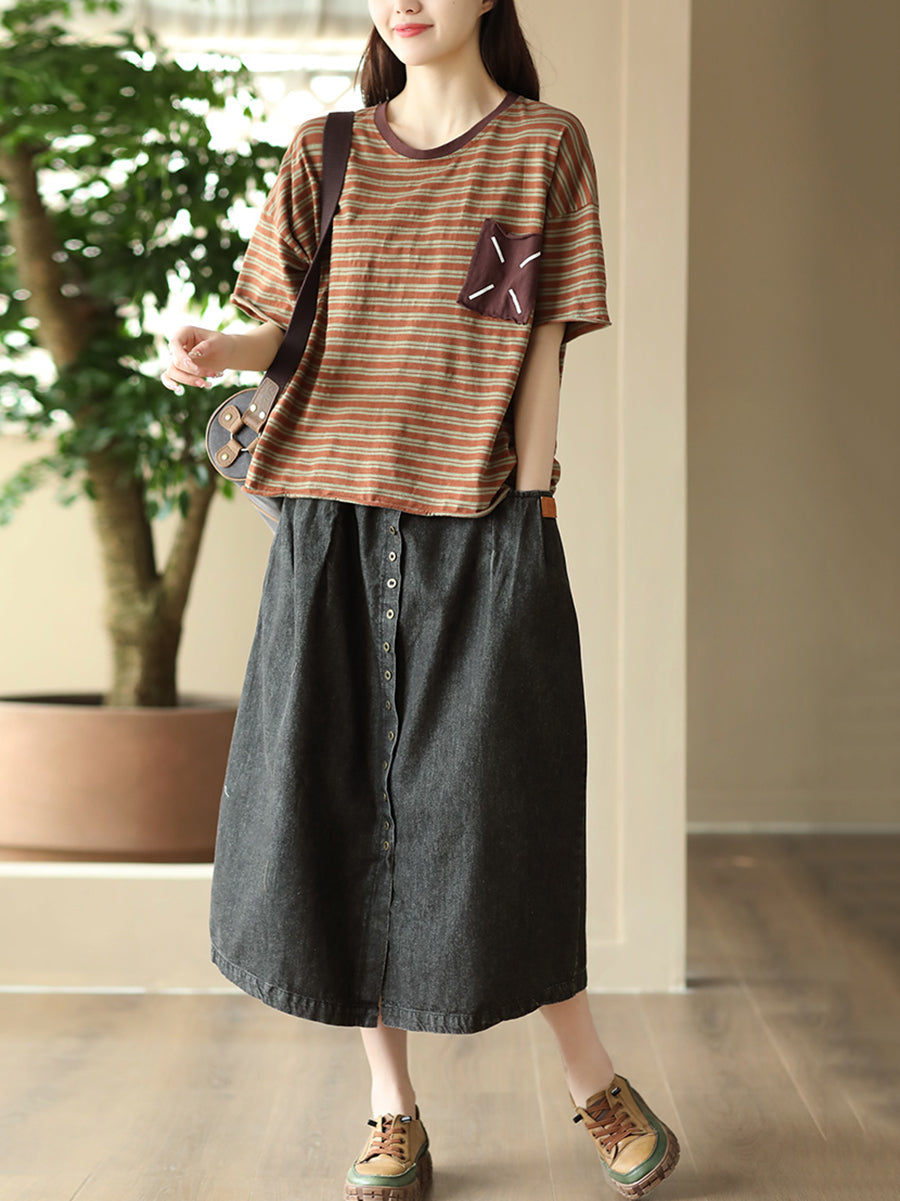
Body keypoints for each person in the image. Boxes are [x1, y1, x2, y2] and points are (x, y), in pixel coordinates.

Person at [161, 2, 680, 1198]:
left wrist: (533, 498)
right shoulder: (325, 148)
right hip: (327, 524)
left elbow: (537, 334)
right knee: (339, 802)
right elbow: (287, 331)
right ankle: (391, 1108)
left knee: (500, 807)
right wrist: (215, 351)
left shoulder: (543, 145)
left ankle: (591, 1078)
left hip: (480, 519)